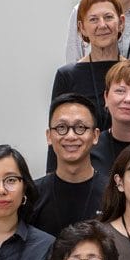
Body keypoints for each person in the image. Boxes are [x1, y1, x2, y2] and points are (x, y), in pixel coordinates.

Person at [50, 0, 124, 161]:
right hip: (80, 170)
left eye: (108, 17)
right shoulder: (67, 76)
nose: (102, 25)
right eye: (93, 19)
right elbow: (57, 133)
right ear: (82, 28)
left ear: (121, 23)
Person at [29, 94, 108, 238]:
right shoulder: (31, 195)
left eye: (80, 127)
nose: (71, 136)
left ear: (95, 136)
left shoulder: (113, 194)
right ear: (49, 136)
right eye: (61, 127)